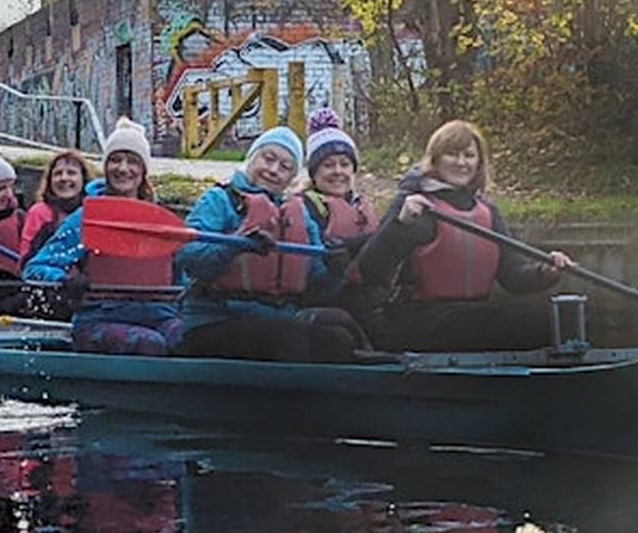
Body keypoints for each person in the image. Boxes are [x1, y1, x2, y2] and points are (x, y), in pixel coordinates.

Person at [354, 120, 574, 352]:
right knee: (497, 321)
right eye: (452, 154)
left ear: (479, 163)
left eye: (469, 155)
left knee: (545, 321)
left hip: (471, 315)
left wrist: (546, 271)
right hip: (416, 318)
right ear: (435, 159)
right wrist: (400, 224)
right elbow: (370, 271)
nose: (461, 162)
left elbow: (513, 275)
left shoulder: (488, 212)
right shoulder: (412, 205)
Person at [175, 126, 358, 363]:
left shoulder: (298, 214)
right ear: (252, 158)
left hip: (277, 320)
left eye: (285, 167)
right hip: (215, 320)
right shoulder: (219, 200)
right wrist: (235, 245)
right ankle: (285, 399)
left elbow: (317, 285)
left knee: (337, 341)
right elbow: (188, 257)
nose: (273, 170)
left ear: (291, 178)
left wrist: (337, 270)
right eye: (268, 159)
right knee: (288, 336)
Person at [23, 118, 183, 356]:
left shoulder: (159, 220)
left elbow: (184, 276)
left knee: (188, 338)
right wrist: (64, 280)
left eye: (132, 161)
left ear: (143, 171)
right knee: (150, 344)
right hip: (99, 319)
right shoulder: (87, 217)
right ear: (106, 167)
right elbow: (35, 268)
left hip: (159, 316)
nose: (123, 168)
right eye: (115, 160)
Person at [300, 108, 377, 310]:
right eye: (328, 165)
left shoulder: (363, 204)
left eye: (345, 164)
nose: (338, 172)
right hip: (327, 298)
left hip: (369, 293)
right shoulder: (304, 207)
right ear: (314, 173)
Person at [18, 149, 92, 261]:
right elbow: (26, 258)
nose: (64, 178)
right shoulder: (38, 213)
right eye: (58, 173)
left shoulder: (93, 211)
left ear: (83, 179)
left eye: (71, 173)